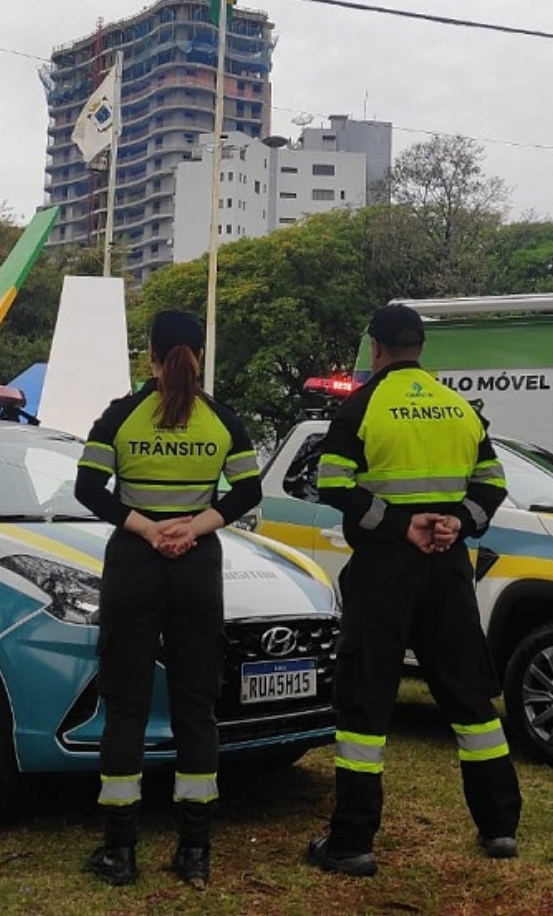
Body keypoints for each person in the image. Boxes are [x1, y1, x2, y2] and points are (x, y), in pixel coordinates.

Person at [306, 302, 522, 877]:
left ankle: (352, 841)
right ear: (421, 347)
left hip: (384, 569)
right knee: (470, 698)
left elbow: (332, 482)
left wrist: (401, 523)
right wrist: (460, 522)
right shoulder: (459, 408)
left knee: (365, 702)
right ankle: (500, 825)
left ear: (376, 349)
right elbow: (493, 484)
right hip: (448, 565)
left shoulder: (362, 404)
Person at [74, 308, 261, 887]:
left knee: (126, 707)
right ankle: (195, 852)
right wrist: (193, 527)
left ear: (150, 356)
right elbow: (248, 491)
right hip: (196, 569)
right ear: (199, 356)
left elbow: (87, 488)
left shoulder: (121, 416)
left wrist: (148, 529)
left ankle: (120, 853)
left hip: (134, 564)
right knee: (196, 709)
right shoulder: (223, 420)